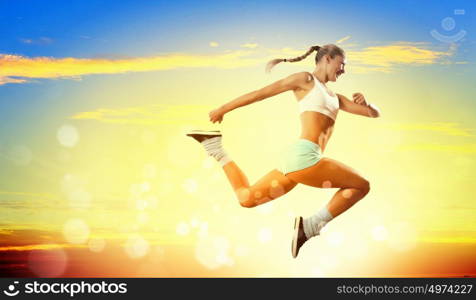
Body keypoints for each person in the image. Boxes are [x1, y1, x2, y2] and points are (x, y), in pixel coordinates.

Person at [186, 44, 381, 258]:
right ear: (328, 58)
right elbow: (262, 93)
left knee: (247, 198)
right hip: (305, 157)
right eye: (341, 64)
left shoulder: (337, 98)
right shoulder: (306, 80)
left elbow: (373, 115)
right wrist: (224, 108)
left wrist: (367, 103)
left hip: (297, 159)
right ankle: (310, 227)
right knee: (362, 185)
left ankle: (215, 148)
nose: (343, 70)